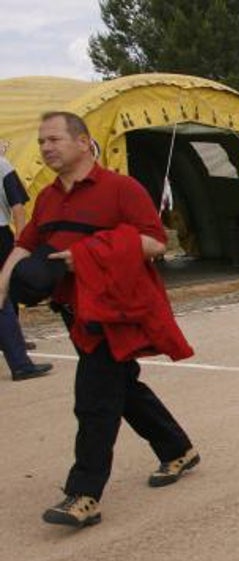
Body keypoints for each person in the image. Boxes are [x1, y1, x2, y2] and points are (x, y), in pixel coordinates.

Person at [0, 112, 197, 527]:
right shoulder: (49, 197)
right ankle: (177, 448)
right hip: (74, 312)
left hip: (113, 312)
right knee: (122, 388)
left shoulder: (121, 189)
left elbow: (155, 242)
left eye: (54, 139)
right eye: (41, 142)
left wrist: (85, 256)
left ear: (83, 142)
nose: (46, 148)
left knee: (94, 400)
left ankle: (84, 494)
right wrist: (4, 281)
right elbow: (26, 242)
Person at [0, 151, 52, 381]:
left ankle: (13, 341)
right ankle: (20, 362)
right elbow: (18, 206)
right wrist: (21, 241)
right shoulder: (2, 164)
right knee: (3, 295)